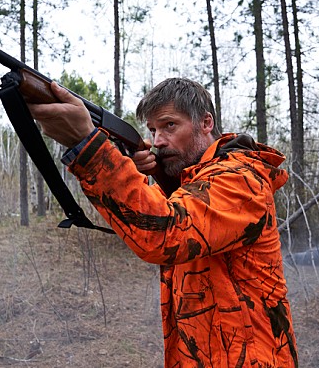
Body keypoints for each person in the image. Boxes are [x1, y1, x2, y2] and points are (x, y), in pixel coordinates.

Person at [28, 78, 298, 368]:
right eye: (153, 130)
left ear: (206, 123)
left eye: (170, 125)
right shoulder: (192, 182)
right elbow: (175, 209)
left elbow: (165, 234)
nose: (157, 141)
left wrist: (90, 148)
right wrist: (151, 172)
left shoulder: (241, 180)